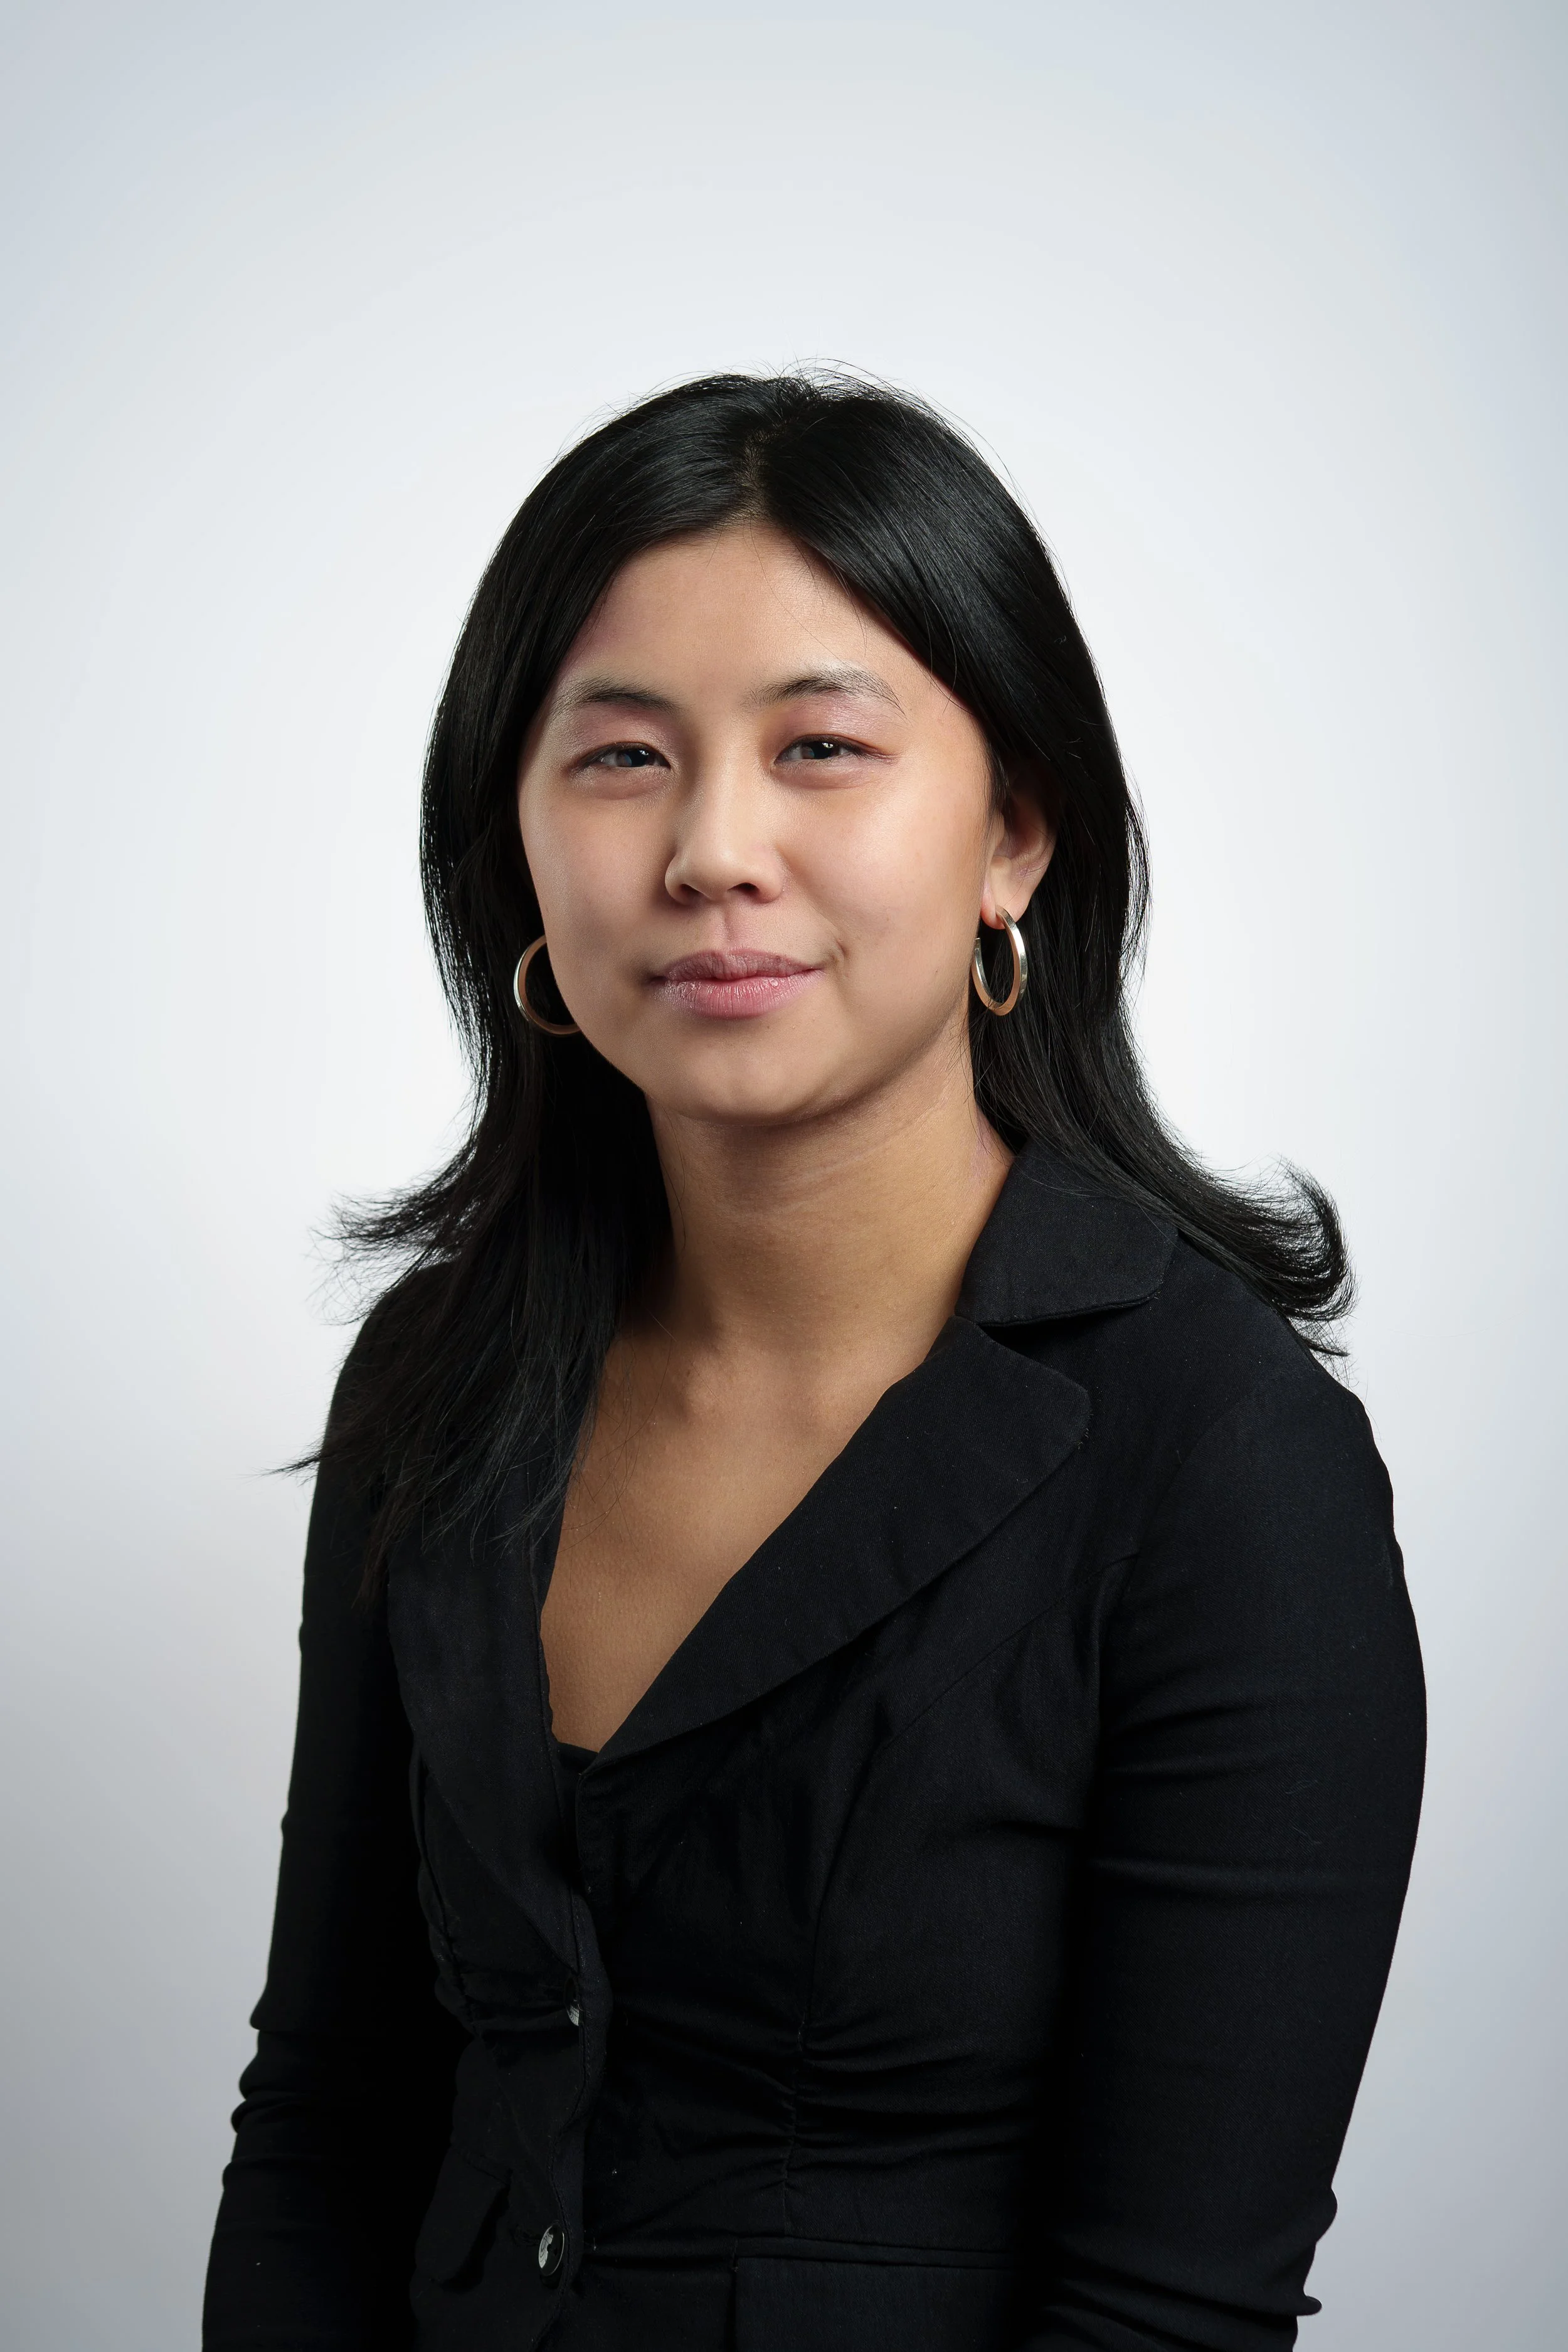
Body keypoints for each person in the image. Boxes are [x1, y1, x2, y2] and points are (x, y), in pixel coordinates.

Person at [202, 373, 1425, 2352]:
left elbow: (1166, 2314)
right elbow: (326, 2125)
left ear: (1010, 835)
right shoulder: (440, 1377)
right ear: (514, 840)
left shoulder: (1222, 1459)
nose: (712, 848)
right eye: (620, 756)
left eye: (821, 747)